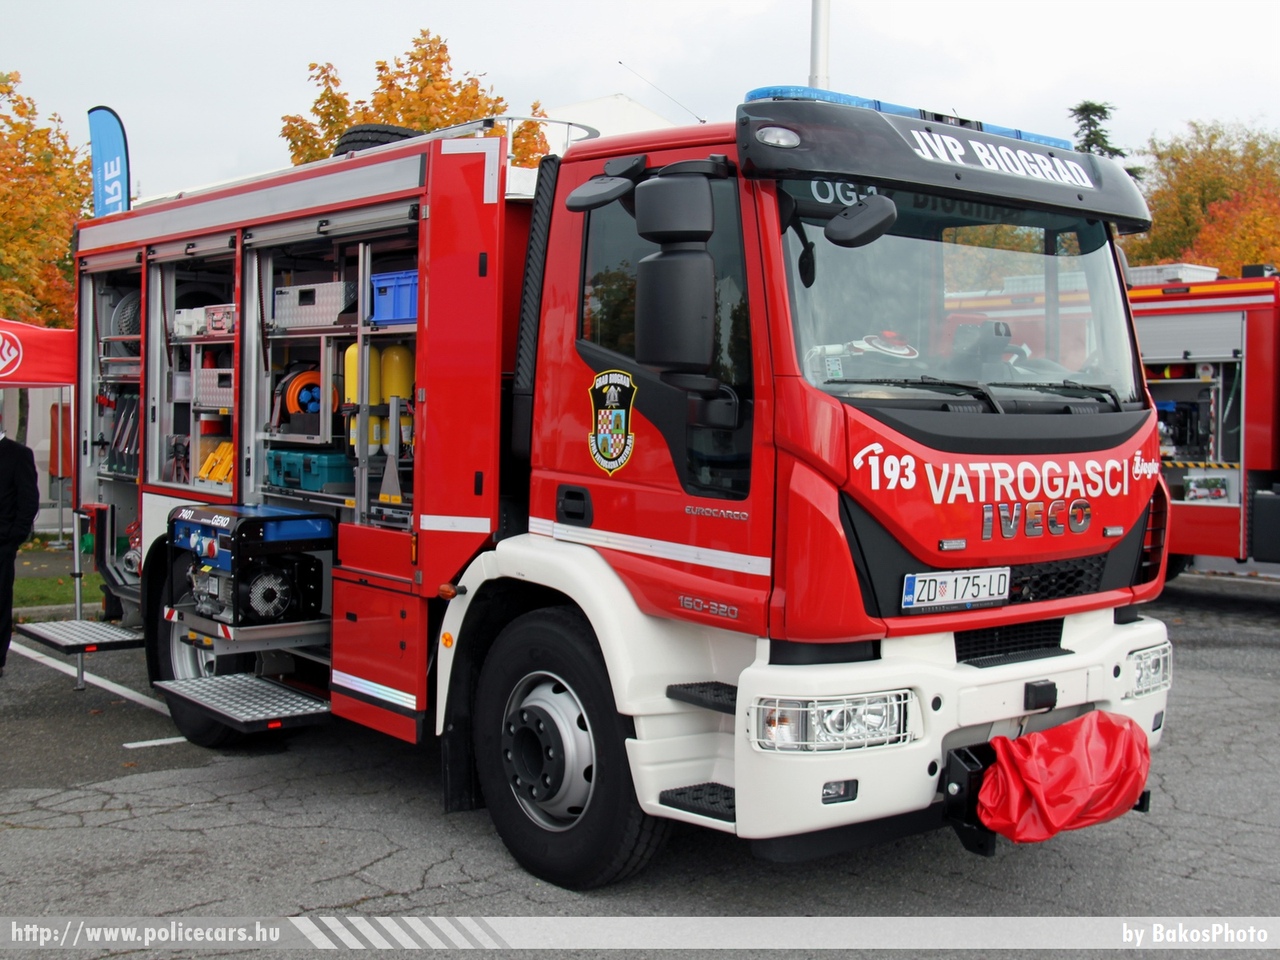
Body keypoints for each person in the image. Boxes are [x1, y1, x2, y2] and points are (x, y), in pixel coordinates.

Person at [0, 415, 40, 679]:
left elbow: (28, 500)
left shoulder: (18, 454)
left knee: (0, 601)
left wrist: (14, 537)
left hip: (2, 543)